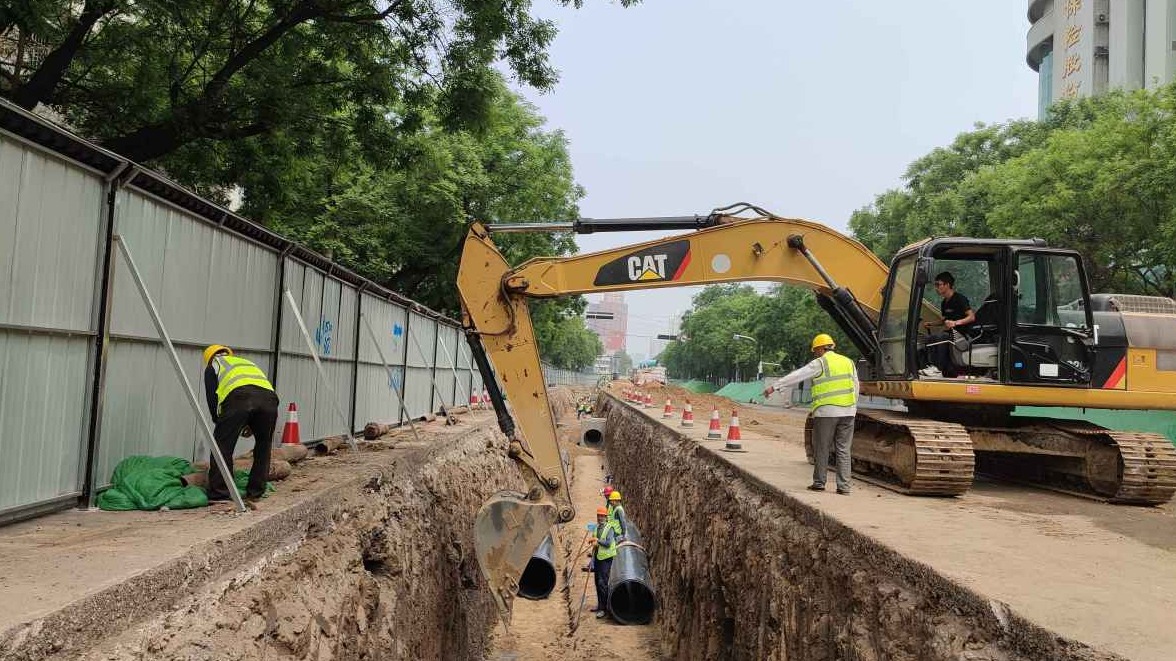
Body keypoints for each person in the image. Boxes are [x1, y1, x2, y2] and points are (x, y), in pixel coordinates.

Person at [762, 333, 859, 495]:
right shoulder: (848, 362)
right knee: (843, 449)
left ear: (821, 349)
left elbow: (798, 375)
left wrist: (775, 386)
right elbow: (856, 386)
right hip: (848, 411)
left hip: (826, 412)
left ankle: (819, 483)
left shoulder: (820, 362)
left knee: (822, 448)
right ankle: (844, 486)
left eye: (815, 351)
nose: (815, 353)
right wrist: (852, 407)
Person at [202, 345, 280, 505]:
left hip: (240, 398)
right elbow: (258, 393)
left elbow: (213, 400)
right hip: (270, 400)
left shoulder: (213, 366)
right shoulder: (245, 363)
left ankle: (220, 492)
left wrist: (220, 422)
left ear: (210, 358)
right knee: (263, 446)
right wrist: (250, 424)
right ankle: (256, 490)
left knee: (222, 446)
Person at [922, 271, 975, 378]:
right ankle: (931, 366)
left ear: (947, 285)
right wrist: (931, 324)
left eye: (938, 285)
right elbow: (945, 320)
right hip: (949, 333)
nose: (936, 288)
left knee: (942, 337)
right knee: (930, 338)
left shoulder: (960, 299)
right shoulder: (944, 302)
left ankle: (939, 368)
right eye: (935, 285)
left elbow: (971, 317)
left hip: (961, 335)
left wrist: (955, 323)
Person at [589, 506, 618, 618]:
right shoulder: (597, 528)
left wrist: (598, 541)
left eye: (602, 516)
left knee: (602, 583)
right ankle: (600, 605)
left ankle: (604, 609)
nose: (600, 518)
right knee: (597, 582)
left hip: (606, 558)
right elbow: (595, 539)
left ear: (606, 517)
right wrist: (592, 541)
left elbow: (608, 543)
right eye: (598, 516)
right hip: (598, 557)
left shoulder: (609, 528)